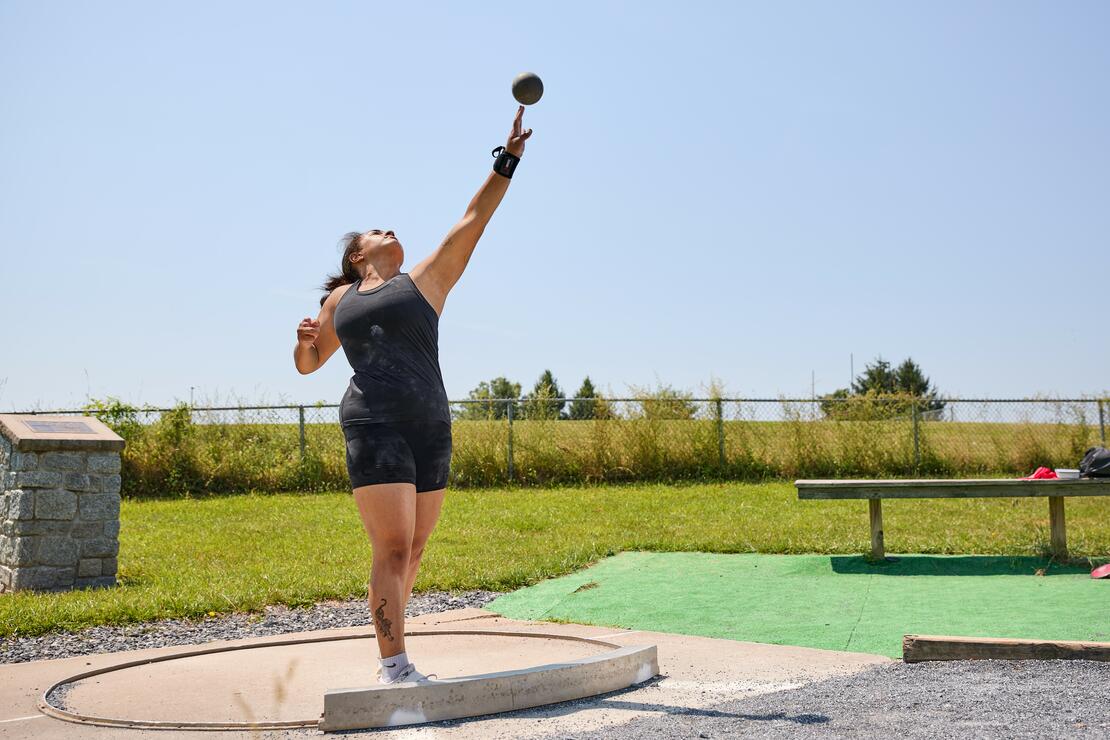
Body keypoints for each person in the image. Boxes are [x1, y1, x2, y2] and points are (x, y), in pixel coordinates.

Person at [293, 106, 533, 684]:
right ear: (357, 254)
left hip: (431, 424)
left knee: (417, 551)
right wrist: (303, 343)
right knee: (393, 549)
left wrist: (507, 161)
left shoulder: (425, 279)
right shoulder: (340, 301)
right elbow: (309, 365)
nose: (391, 231)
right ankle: (394, 667)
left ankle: (392, 643)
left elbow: (473, 219)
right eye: (378, 230)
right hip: (373, 423)